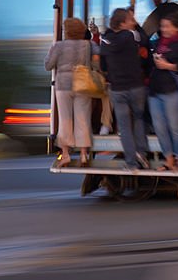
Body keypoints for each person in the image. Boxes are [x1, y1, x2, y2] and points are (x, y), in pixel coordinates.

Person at [99, 9, 150, 170]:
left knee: (125, 127)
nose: (134, 22)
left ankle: (131, 163)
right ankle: (141, 152)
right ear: (122, 23)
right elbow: (146, 41)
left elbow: (103, 66)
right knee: (139, 119)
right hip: (136, 86)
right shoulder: (132, 36)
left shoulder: (105, 41)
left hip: (118, 88)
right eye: (131, 19)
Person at [147, 12, 178, 171]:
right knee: (160, 126)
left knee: (176, 126)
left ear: (176, 27)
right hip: (156, 89)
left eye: (167, 26)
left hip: (174, 90)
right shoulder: (159, 42)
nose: (164, 29)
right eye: (162, 26)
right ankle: (168, 158)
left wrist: (168, 66)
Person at [45, 18, 96, 167]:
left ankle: (66, 154)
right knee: (83, 119)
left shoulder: (58, 46)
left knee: (65, 119)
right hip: (82, 83)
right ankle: (83, 155)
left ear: (66, 31)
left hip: (64, 85)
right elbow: (95, 61)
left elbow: (48, 65)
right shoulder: (87, 45)